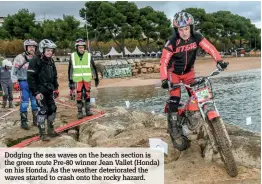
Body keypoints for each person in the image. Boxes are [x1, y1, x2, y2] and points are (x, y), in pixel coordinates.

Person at [160, 12, 228, 138]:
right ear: (176, 30)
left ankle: (197, 120)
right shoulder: (171, 42)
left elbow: (210, 48)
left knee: (198, 97)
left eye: (186, 28)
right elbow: (164, 61)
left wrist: (219, 61)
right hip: (173, 74)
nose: (184, 32)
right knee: (175, 99)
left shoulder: (197, 37)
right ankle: (174, 127)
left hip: (189, 72)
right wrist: (164, 80)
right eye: (181, 30)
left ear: (191, 27)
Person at [27, 39, 59, 141]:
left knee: (52, 108)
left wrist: (56, 88)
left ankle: (51, 129)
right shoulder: (35, 61)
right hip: (39, 91)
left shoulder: (51, 61)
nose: (50, 52)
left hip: (49, 89)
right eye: (48, 50)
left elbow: (54, 76)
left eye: (51, 50)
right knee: (43, 109)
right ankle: (42, 133)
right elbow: (30, 78)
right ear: (42, 50)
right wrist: (35, 92)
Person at [68, 38, 99, 119]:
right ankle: (79, 112)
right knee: (79, 95)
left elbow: (93, 67)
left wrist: (96, 78)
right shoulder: (73, 56)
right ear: (77, 48)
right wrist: (70, 81)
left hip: (87, 78)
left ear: (84, 47)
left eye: (82, 47)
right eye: (79, 47)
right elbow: (70, 69)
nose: (81, 49)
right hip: (78, 79)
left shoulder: (88, 55)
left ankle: (88, 110)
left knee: (88, 94)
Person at [12, 39, 38, 130]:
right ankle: (24, 122)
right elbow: (14, 71)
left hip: (34, 83)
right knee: (25, 103)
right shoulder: (19, 58)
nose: (32, 48)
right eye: (30, 47)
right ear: (25, 47)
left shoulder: (36, 58)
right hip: (24, 82)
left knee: (35, 102)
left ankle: (36, 121)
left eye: (34, 47)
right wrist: (15, 82)